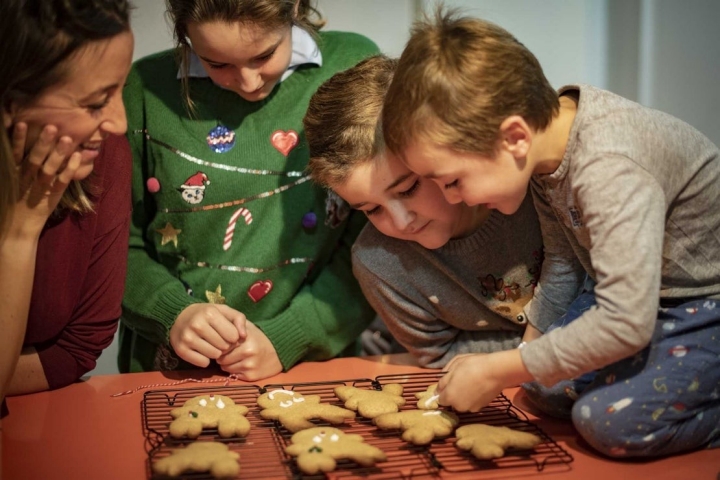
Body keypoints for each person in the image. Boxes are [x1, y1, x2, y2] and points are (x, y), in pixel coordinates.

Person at [381, 9, 720, 458]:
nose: (453, 198)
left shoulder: (608, 166)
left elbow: (625, 322)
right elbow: (564, 265)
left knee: (605, 422)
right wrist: (522, 359)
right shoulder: (546, 151)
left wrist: (500, 369)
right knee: (542, 388)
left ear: (514, 138)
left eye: (452, 180)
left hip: (700, 304)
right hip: (632, 297)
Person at [120, 0, 378, 381]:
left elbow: (375, 242)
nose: (249, 82)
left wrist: (293, 336)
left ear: (293, 8)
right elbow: (112, 247)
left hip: (316, 369)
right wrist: (171, 311)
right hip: (167, 376)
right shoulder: (143, 91)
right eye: (217, 63)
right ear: (185, 33)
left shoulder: (353, 66)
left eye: (264, 56)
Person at [304, 55, 544, 368]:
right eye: (371, 209)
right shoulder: (377, 262)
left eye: (407, 190)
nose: (401, 222)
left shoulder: (533, 191)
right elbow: (438, 355)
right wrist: (532, 354)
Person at [0, 0, 134, 405]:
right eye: (95, 102)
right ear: (10, 102)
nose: (118, 122)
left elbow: (77, 348)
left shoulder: (105, 155)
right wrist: (20, 233)